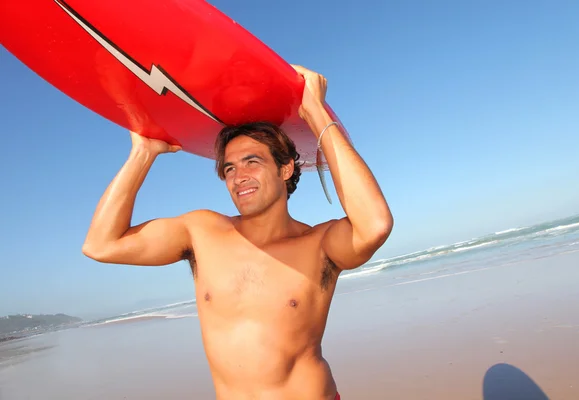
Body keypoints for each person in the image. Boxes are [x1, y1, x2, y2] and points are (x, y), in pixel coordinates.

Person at [82, 65, 393, 400]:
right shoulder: (201, 232)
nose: (238, 176)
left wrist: (314, 112)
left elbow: (374, 224)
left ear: (285, 168)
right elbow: (102, 244)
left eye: (252, 162)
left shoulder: (318, 245)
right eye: (229, 167)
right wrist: (143, 153)